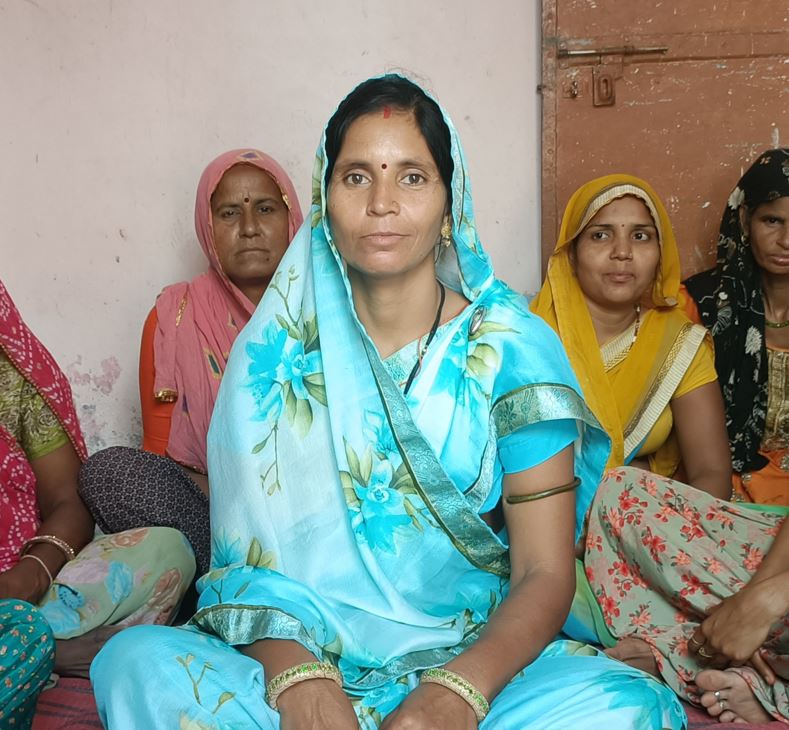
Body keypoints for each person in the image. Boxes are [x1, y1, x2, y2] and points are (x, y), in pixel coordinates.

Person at [90, 75, 685, 729]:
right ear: (323, 195)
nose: (381, 203)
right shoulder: (274, 357)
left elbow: (543, 571)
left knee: (627, 708)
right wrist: (296, 677)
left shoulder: (510, 348)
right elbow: (244, 568)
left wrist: (455, 693)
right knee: (133, 663)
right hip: (296, 658)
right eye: (355, 177)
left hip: (465, 655)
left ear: (448, 196)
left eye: (410, 177)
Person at [78, 150, 303, 576]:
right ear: (207, 226)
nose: (250, 228)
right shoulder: (176, 316)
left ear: (292, 219)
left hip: (315, 519)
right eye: (230, 213)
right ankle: (236, 576)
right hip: (217, 519)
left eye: (266, 209)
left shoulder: (330, 311)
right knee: (110, 474)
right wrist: (240, 497)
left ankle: (260, 582)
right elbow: (163, 459)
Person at [0, 279, 195, 704]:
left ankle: (27, 645)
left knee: (165, 549)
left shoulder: (7, 366)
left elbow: (66, 500)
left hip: (22, 590)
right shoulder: (183, 312)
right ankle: (44, 652)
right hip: (24, 621)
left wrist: (31, 574)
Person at [531, 174, 732, 499]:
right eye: (600, 235)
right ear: (571, 253)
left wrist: (634, 513)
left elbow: (712, 475)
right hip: (533, 526)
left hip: (640, 524)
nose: (622, 252)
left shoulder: (679, 344)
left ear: (660, 251)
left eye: (640, 236)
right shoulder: (528, 339)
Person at [684, 148, 789, 505]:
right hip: (722, 492)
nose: (786, 240)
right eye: (772, 221)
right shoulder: (700, 304)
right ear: (745, 220)